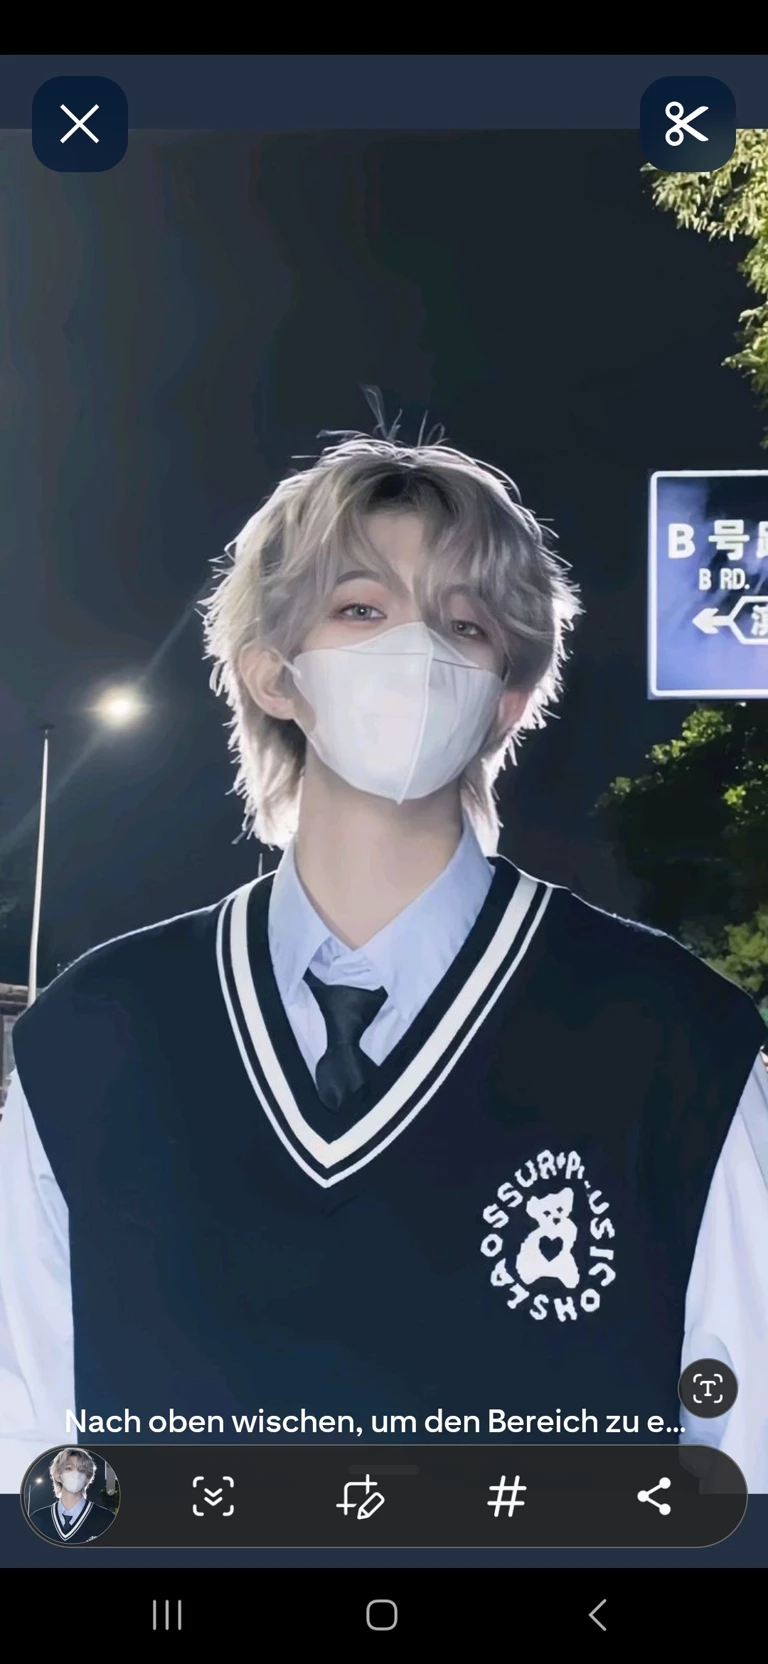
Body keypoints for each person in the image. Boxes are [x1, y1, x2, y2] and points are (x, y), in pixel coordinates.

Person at [0, 433, 767, 1495]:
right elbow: (27, 1445)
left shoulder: (684, 1038)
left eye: (465, 623)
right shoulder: (90, 1035)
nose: (417, 650)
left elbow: (742, 1469)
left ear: (507, 696)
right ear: (272, 672)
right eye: (361, 608)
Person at [28, 1447, 115, 1543]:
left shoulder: (107, 1519)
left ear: (88, 1478)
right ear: (57, 1476)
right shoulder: (37, 1519)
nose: (75, 1474)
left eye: (82, 1470)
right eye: (69, 1468)